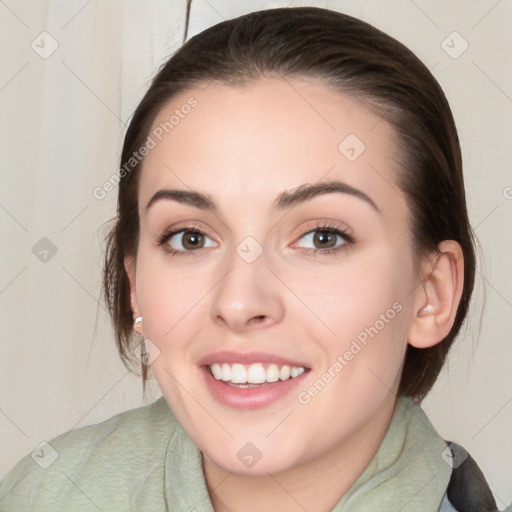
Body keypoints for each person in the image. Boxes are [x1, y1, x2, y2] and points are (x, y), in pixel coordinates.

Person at [0, 6, 508, 512]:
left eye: (323, 238)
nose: (240, 303)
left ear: (431, 295)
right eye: (190, 239)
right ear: (135, 286)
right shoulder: (43, 492)